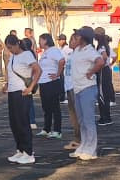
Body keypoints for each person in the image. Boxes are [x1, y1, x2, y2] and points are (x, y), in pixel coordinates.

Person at [4, 34, 41, 165]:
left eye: (10, 47)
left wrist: (31, 87)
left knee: (23, 122)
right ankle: (20, 149)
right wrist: (7, 84)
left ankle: (28, 152)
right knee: (14, 122)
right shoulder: (13, 56)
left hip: (22, 92)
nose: (9, 50)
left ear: (16, 44)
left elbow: (37, 70)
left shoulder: (26, 55)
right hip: (12, 92)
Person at [70, 27, 102, 161]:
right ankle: (84, 145)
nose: (75, 38)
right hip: (77, 88)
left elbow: (100, 61)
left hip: (87, 88)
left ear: (84, 38)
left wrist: (91, 72)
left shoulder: (90, 51)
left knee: (88, 120)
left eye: (78, 36)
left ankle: (91, 149)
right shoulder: (77, 50)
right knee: (81, 120)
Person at [36, 34, 65, 140]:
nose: (39, 42)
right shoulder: (45, 52)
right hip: (43, 82)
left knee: (54, 107)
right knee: (46, 107)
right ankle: (46, 128)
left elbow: (62, 61)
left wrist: (58, 74)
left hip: (51, 82)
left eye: (40, 40)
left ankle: (57, 130)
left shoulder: (54, 50)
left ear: (46, 40)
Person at [94, 32, 114, 125]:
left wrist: (101, 65)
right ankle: (107, 116)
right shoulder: (106, 46)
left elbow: (104, 56)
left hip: (102, 71)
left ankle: (104, 117)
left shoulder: (101, 47)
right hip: (106, 71)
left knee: (102, 95)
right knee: (105, 95)